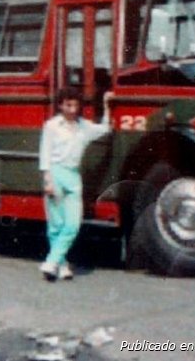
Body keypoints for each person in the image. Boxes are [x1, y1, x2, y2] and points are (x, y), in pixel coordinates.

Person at [38, 87, 113, 281]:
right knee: (56, 225)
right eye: (68, 105)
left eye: (75, 105)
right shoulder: (52, 126)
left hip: (73, 177)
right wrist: (47, 180)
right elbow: (45, 153)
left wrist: (106, 105)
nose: (72, 109)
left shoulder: (84, 126)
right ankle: (61, 265)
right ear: (61, 105)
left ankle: (51, 261)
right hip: (55, 173)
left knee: (72, 224)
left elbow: (105, 129)